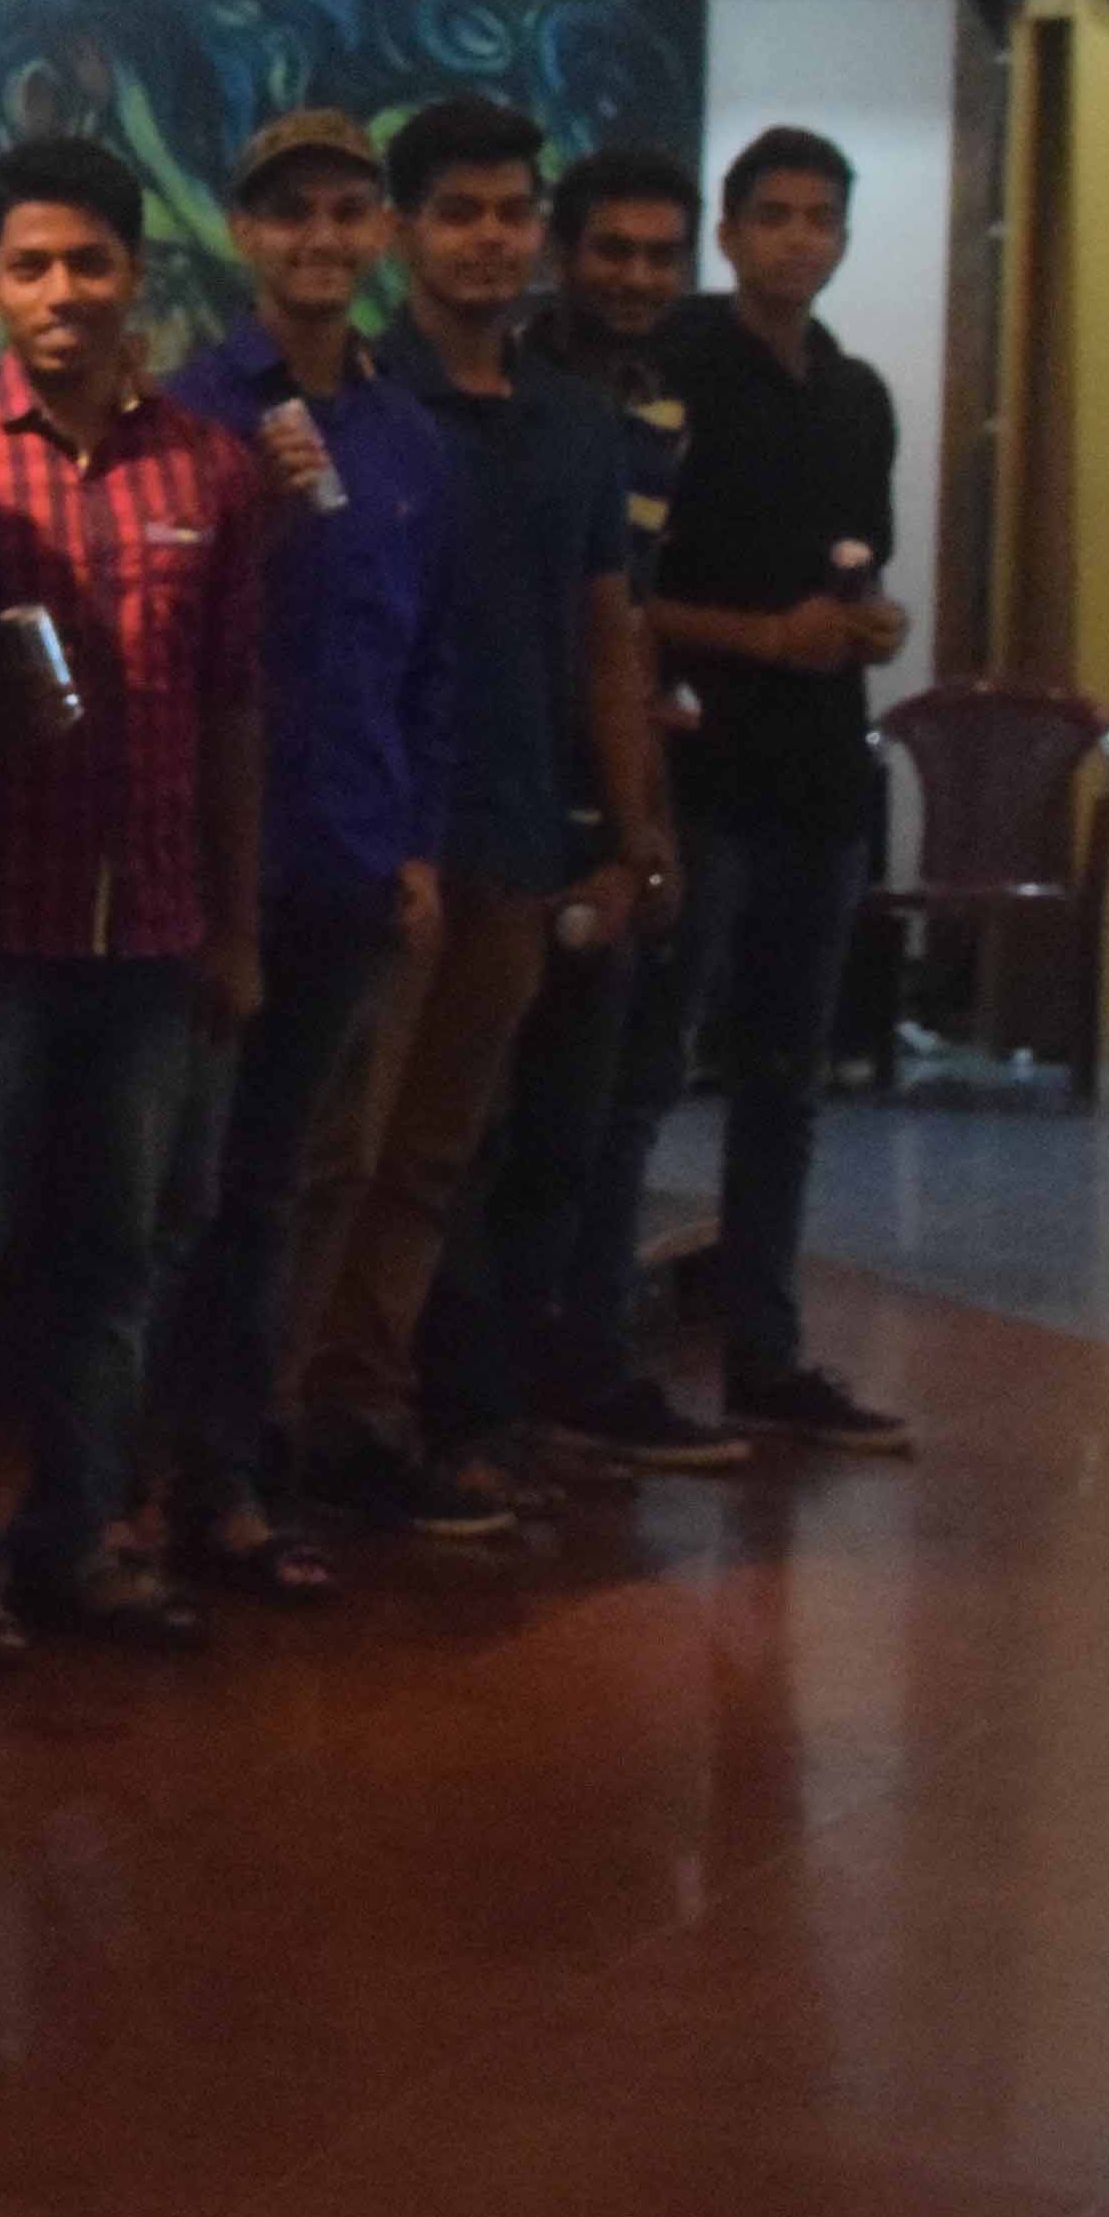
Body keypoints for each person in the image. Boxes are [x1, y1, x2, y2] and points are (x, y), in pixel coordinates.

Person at [0, 136, 264, 1664]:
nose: (60, 293)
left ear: (135, 276)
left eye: (88, 263)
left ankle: (82, 1534)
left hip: (156, 932)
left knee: (120, 1255)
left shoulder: (210, 467)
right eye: (29, 265)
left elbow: (234, 709)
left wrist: (235, 924)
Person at [323, 101, 674, 1539]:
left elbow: (608, 633)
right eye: (458, 212)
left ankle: (396, 1417)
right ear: (402, 230)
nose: (489, 238)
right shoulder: (354, 403)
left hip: (519, 827)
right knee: (342, 1153)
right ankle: (301, 1428)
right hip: (377, 837)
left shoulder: (577, 424)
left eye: (511, 212)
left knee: (443, 1155)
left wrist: (636, 824)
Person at [152, 109, 454, 1588]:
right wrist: (251, 524)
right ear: (244, 234)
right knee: (174, 1185)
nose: (320, 239)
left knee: (280, 1181)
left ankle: (232, 1476)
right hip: (205, 861)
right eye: (291, 214)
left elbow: (421, 657)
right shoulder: (189, 415)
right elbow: (160, 637)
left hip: (346, 851)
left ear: (380, 234)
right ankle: (131, 1481)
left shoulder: (408, 434)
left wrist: (416, 842)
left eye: (347, 212)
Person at [590, 128, 920, 1457]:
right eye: (772, 215)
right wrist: (762, 638)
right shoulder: (669, 379)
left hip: (821, 773)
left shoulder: (855, 394)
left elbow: (855, 570)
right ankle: (599, 1355)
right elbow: (618, 593)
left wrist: (873, 622)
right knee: (648, 1072)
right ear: (727, 236)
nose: (797, 238)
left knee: (790, 1080)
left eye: (820, 217)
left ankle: (766, 1354)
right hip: (698, 768)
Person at [461, 147, 738, 1478]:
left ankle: (565, 1378)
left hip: (617, 795)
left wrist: (646, 816)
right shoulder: (516, 398)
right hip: (512, 801)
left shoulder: (657, 403)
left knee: (594, 1116)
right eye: (610, 249)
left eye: (659, 254)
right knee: (493, 1128)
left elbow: (627, 613)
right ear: (562, 254)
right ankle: (479, 1404)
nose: (635, 275)